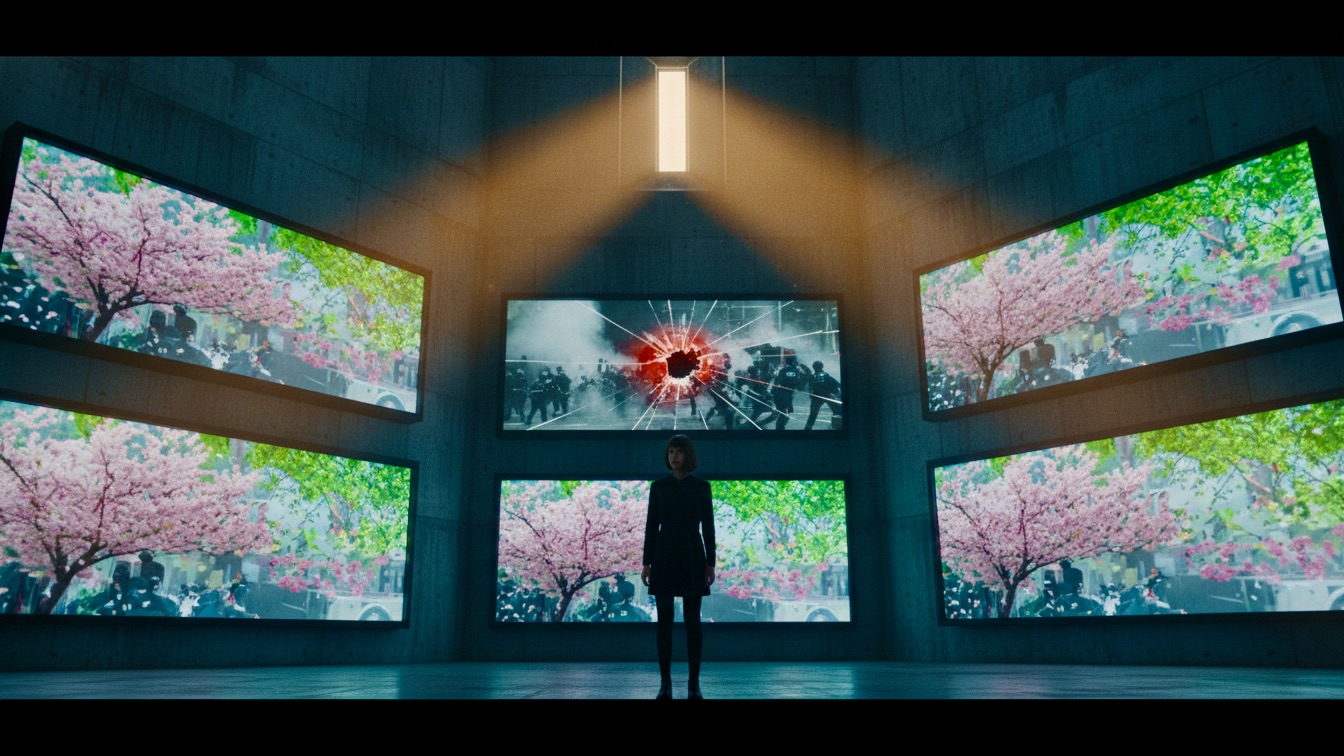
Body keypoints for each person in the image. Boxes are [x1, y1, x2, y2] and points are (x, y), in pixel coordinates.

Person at [642, 434, 715, 700]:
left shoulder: (702, 487)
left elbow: (708, 527)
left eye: (679, 451)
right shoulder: (658, 487)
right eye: (671, 451)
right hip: (663, 554)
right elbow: (651, 526)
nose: (674, 456)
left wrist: (711, 563)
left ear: (688, 455)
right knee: (664, 623)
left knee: (693, 622)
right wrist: (646, 562)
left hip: (692, 554)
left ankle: (694, 685)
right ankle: (666, 685)